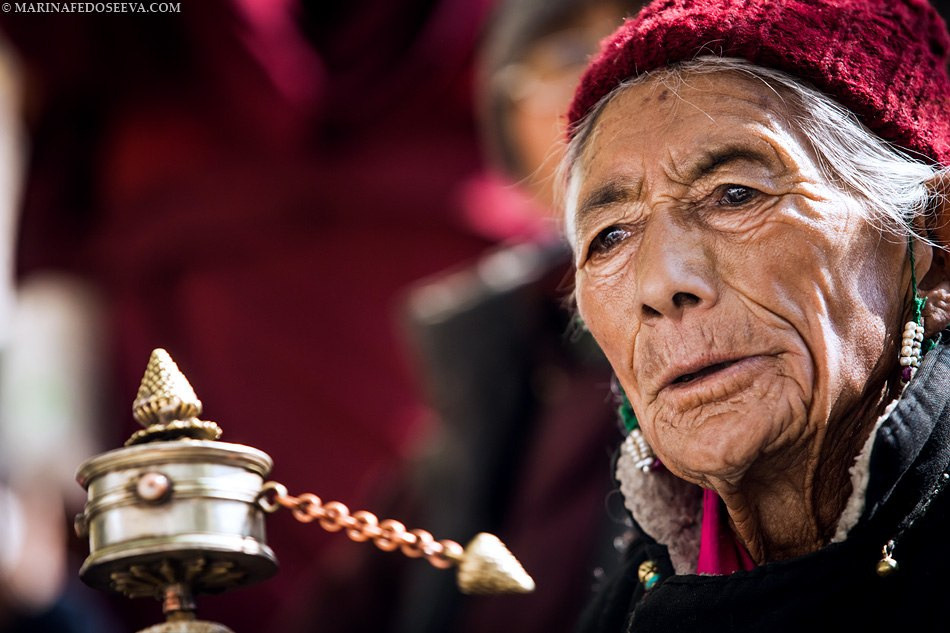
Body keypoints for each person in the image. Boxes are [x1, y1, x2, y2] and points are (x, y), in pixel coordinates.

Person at [558, 0, 950, 630]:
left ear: (929, 242)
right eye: (609, 236)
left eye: (736, 195)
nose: (661, 283)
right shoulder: (624, 611)